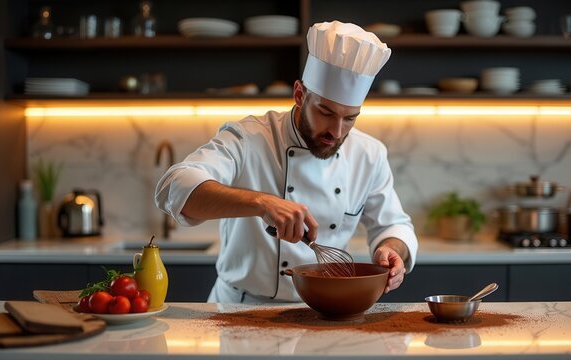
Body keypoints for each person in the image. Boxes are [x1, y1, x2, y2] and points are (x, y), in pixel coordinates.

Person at [155, 21, 418, 304]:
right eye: (326, 113)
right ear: (299, 95)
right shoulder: (249, 138)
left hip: (321, 309)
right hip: (239, 311)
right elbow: (173, 188)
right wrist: (261, 203)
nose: (337, 131)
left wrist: (392, 250)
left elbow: (393, 225)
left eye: (350, 118)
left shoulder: (369, 154)